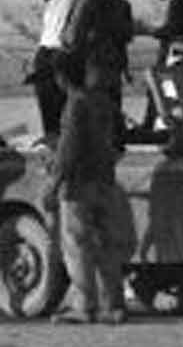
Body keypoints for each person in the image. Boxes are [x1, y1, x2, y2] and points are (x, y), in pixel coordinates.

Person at [46, 54, 130, 325]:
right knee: (106, 245)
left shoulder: (75, 104)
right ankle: (114, 304)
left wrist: (53, 185)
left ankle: (85, 305)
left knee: (77, 245)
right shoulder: (103, 101)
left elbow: (68, 150)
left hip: (79, 185)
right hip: (105, 178)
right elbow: (119, 137)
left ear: (62, 78)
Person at [28, 0, 87, 139]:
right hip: (55, 56)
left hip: (50, 54)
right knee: (61, 117)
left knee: (56, 119)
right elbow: (72, 33)